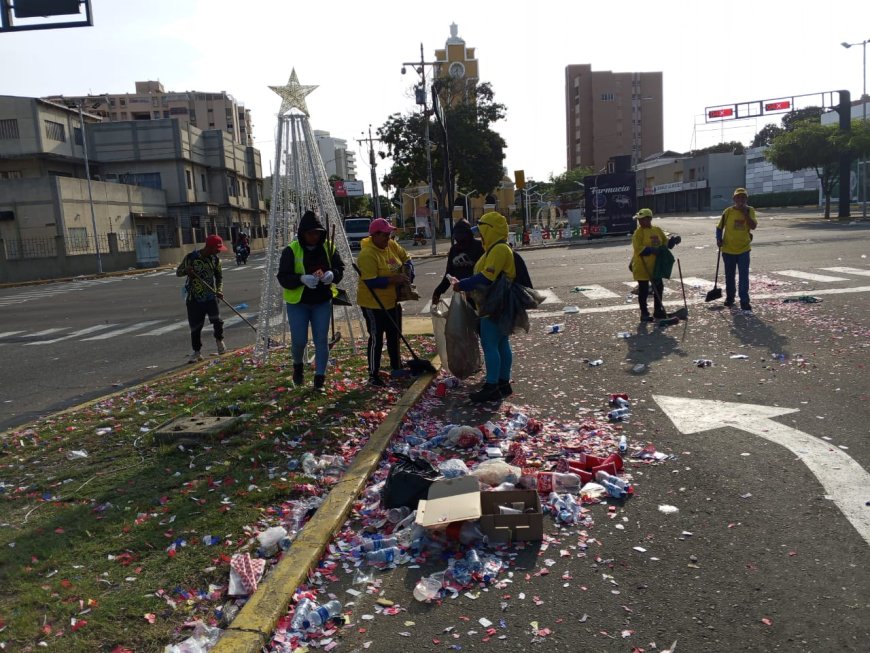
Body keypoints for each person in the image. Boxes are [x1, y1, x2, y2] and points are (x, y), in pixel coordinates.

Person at [277, 210, 346, 390]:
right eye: (310, 233)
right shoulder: (291, 250)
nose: (314, 237)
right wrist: (301, 279)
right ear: (302, 234)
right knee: (299, 341)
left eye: (317, 233)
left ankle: (319, 379)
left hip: (322, 301)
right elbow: (283, 277)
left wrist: (333, 274)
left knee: (321, 340)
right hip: (298, 303)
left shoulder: (328, 247)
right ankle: (298, 366)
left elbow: (339, 268)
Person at [453, 211, 515, 402]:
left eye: (482, 231)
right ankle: (503, 383)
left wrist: (462, 284)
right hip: (499, 303)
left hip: (494, 305)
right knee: (501, 343)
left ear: (491, 230)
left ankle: (492, 386)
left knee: (490, 345)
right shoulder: (496, 248)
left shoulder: (499, 250)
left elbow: (487, 277)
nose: (480, 235)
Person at [356, 217, 414, 386]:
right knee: (376, 338)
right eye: (384, 235)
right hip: (372, 304)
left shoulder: (391, 245)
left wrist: (409, 270)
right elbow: (370, 281)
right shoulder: (367, 254)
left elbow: (406, 258)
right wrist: (393, 280)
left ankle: (396, 367)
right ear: (374, 235)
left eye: (389, 234)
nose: (388, 238)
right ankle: (373, 374)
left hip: (392, 301)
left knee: (394, 334)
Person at [176, 234, 227, 363]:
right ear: (209, 247)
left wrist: (219, 290)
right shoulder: (191, 258)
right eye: (217, 248)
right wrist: (187, 271)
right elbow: (178, 272)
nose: (218, 251)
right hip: (194, 298)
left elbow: (219, 277)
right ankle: (196, 352)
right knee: (195, 327)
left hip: (211, 296)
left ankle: (219, 341)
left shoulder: (215, 260)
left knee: (217, 321)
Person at [717, 187, 758, 313]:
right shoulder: (728, 212)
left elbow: (753, 226)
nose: (741, 200)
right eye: (738, 197)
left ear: (746, 199)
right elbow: (719, 228)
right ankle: (730, 298)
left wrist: (745, 213)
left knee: (743, 276)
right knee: (730, 276)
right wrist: (718, 239)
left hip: (744, 249)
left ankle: (744, 301)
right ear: (734, 199)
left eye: (743, 197)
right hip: (728, 250)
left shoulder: (750, 210)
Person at [431, 219, 485, 306]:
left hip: (478, 296)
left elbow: (485, 275)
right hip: (461, 295)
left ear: (469, 235)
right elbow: (449, 275)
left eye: (462, 237)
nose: (459, 241)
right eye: (457, 237)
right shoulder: (454, 250)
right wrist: (438, 291)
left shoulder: (480, 247)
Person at [630, 208, 667, 322]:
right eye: (639, 219)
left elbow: (665, 242)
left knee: (659, 288)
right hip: (642, 266)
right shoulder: (638, 233)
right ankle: (644, 313)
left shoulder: (657, 230)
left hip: (655, 266)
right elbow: (638, 248)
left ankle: (658, 311)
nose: (640, 221)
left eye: (642, 219)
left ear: (649, 219)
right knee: (644, 290)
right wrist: (651, 250)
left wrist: (672, 241)